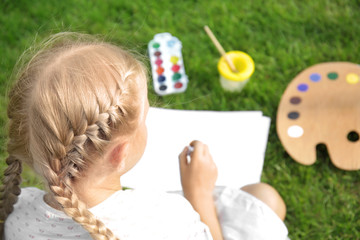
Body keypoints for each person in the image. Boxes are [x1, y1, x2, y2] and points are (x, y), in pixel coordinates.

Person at [0, 32, 288, 240]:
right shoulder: (166, 217)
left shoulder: (15, 212)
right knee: (266, 199)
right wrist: (197, 194)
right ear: (120, 154)